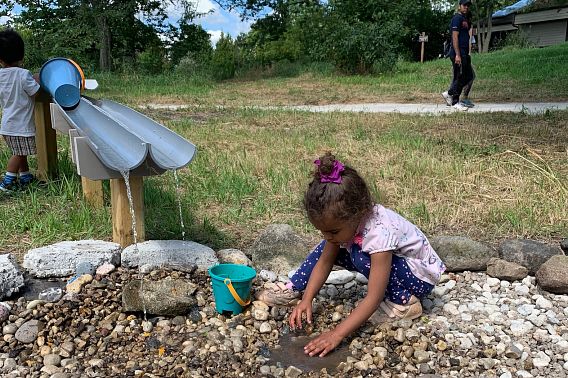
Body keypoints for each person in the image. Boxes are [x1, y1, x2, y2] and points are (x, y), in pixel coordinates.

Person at [256, 153, 446, 357]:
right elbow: (325, 261)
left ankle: (403, 302)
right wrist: (307, 299)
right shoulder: (344, 226)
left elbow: (374, 296)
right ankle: (295, 289)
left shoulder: (379, 233)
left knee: (362, 257)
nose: (328, 236)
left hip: (418, 276)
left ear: (357, 213)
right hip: (397, 265)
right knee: (326, 248)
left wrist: (337, 334)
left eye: (334, 231)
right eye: (323, 231)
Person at [0, 28, 40, 193]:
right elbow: (35, 92)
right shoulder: (24, 75)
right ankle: (8, 181)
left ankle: (25, 177)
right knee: (19, 153)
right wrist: (37, 81)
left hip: (8, 124)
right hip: (21, 126)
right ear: (22, 55)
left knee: (20, 151)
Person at [442, 0, 474, 111]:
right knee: (460, 76)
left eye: (468, 6)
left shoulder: (465, 19)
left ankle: (449, 93)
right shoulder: (457, 18)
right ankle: (455, 102)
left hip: (464, 52)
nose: (466, 7)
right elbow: (455, 37)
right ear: (459, 6)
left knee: (469, 76)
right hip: (457, 52)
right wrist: (457, 55)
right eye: (464, 5)